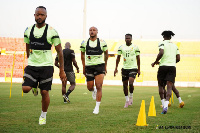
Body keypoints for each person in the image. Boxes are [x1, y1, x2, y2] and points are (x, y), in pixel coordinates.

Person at [22, 6, 66, 125]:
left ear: (46, 16)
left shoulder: (52, 31)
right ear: (34, 15)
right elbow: (27, 45)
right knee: (25, 89)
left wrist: (62, 70)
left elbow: (60, 51)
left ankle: (43, 115)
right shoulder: (28, 30)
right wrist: (28, 58)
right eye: (37, 14)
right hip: (32, 65)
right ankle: (34, 85)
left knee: (44, 92)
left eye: (42, 15)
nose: (39, 16)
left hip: (46, 66)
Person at [80, 26, 108, 114]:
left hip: (100, 66)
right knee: (89, 87)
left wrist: (105, 66)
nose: (92, 31)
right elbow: (82, 55)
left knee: (99, 86)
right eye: (90, 30)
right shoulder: (84, 43)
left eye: (94, 30)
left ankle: (97, 107)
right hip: (89, 67)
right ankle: (93, 91)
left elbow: (106, 54)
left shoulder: (102, 42)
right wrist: (84, 67)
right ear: (89, 32)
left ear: (97, 32)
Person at [151, 30, 181, 114]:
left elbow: (161, 52)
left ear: (163, 37)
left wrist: (155, 61)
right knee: (169, 86)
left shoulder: (162, 43)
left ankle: (163, 104)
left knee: (161, 85)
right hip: (172, 67)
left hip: (163, 66)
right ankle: (166, 106)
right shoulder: (175, 46)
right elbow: (178, 59)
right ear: (170, 37)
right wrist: (171, 62)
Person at [114, 34, 140, 108]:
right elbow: (118, 58)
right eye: (126, 38)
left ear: (131, 39)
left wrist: (139, 69)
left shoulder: (135, 47)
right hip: (125, 68)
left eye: (129, 38)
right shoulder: (121, 47)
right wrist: (116, 68)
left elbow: (138, 58)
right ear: (125, 39)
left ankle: (131, 96)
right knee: (125, 85)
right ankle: (127, 100)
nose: (127, 39)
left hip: (133, 68)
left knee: (131, 83)